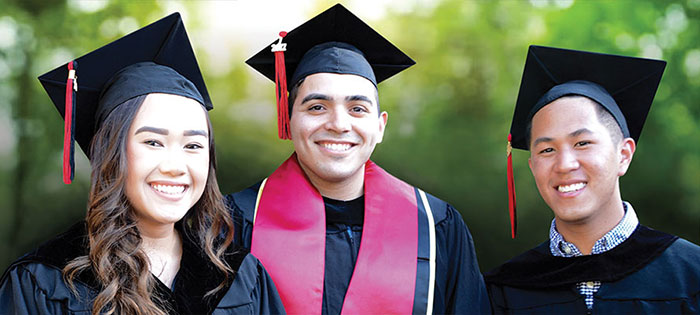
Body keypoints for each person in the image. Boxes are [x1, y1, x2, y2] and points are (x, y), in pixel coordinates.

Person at [0, 13, 284, 314]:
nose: (175, 166)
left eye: (193, 146)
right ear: (109, 153)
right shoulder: (44, 281)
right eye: (153, 142)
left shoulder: (239, 276)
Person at [226, 4, 489, 314]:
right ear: (288, 119)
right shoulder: (234, 222)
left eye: (357, 109)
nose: (339, 124)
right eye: (317, 107)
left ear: (380, 126)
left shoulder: (435, 226)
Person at [484, 45, 700, 313]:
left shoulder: (692, 276)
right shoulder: (502, 292)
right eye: (547, 150)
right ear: (532, 166)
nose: (565, 164)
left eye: (583, 143)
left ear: (623, 155)